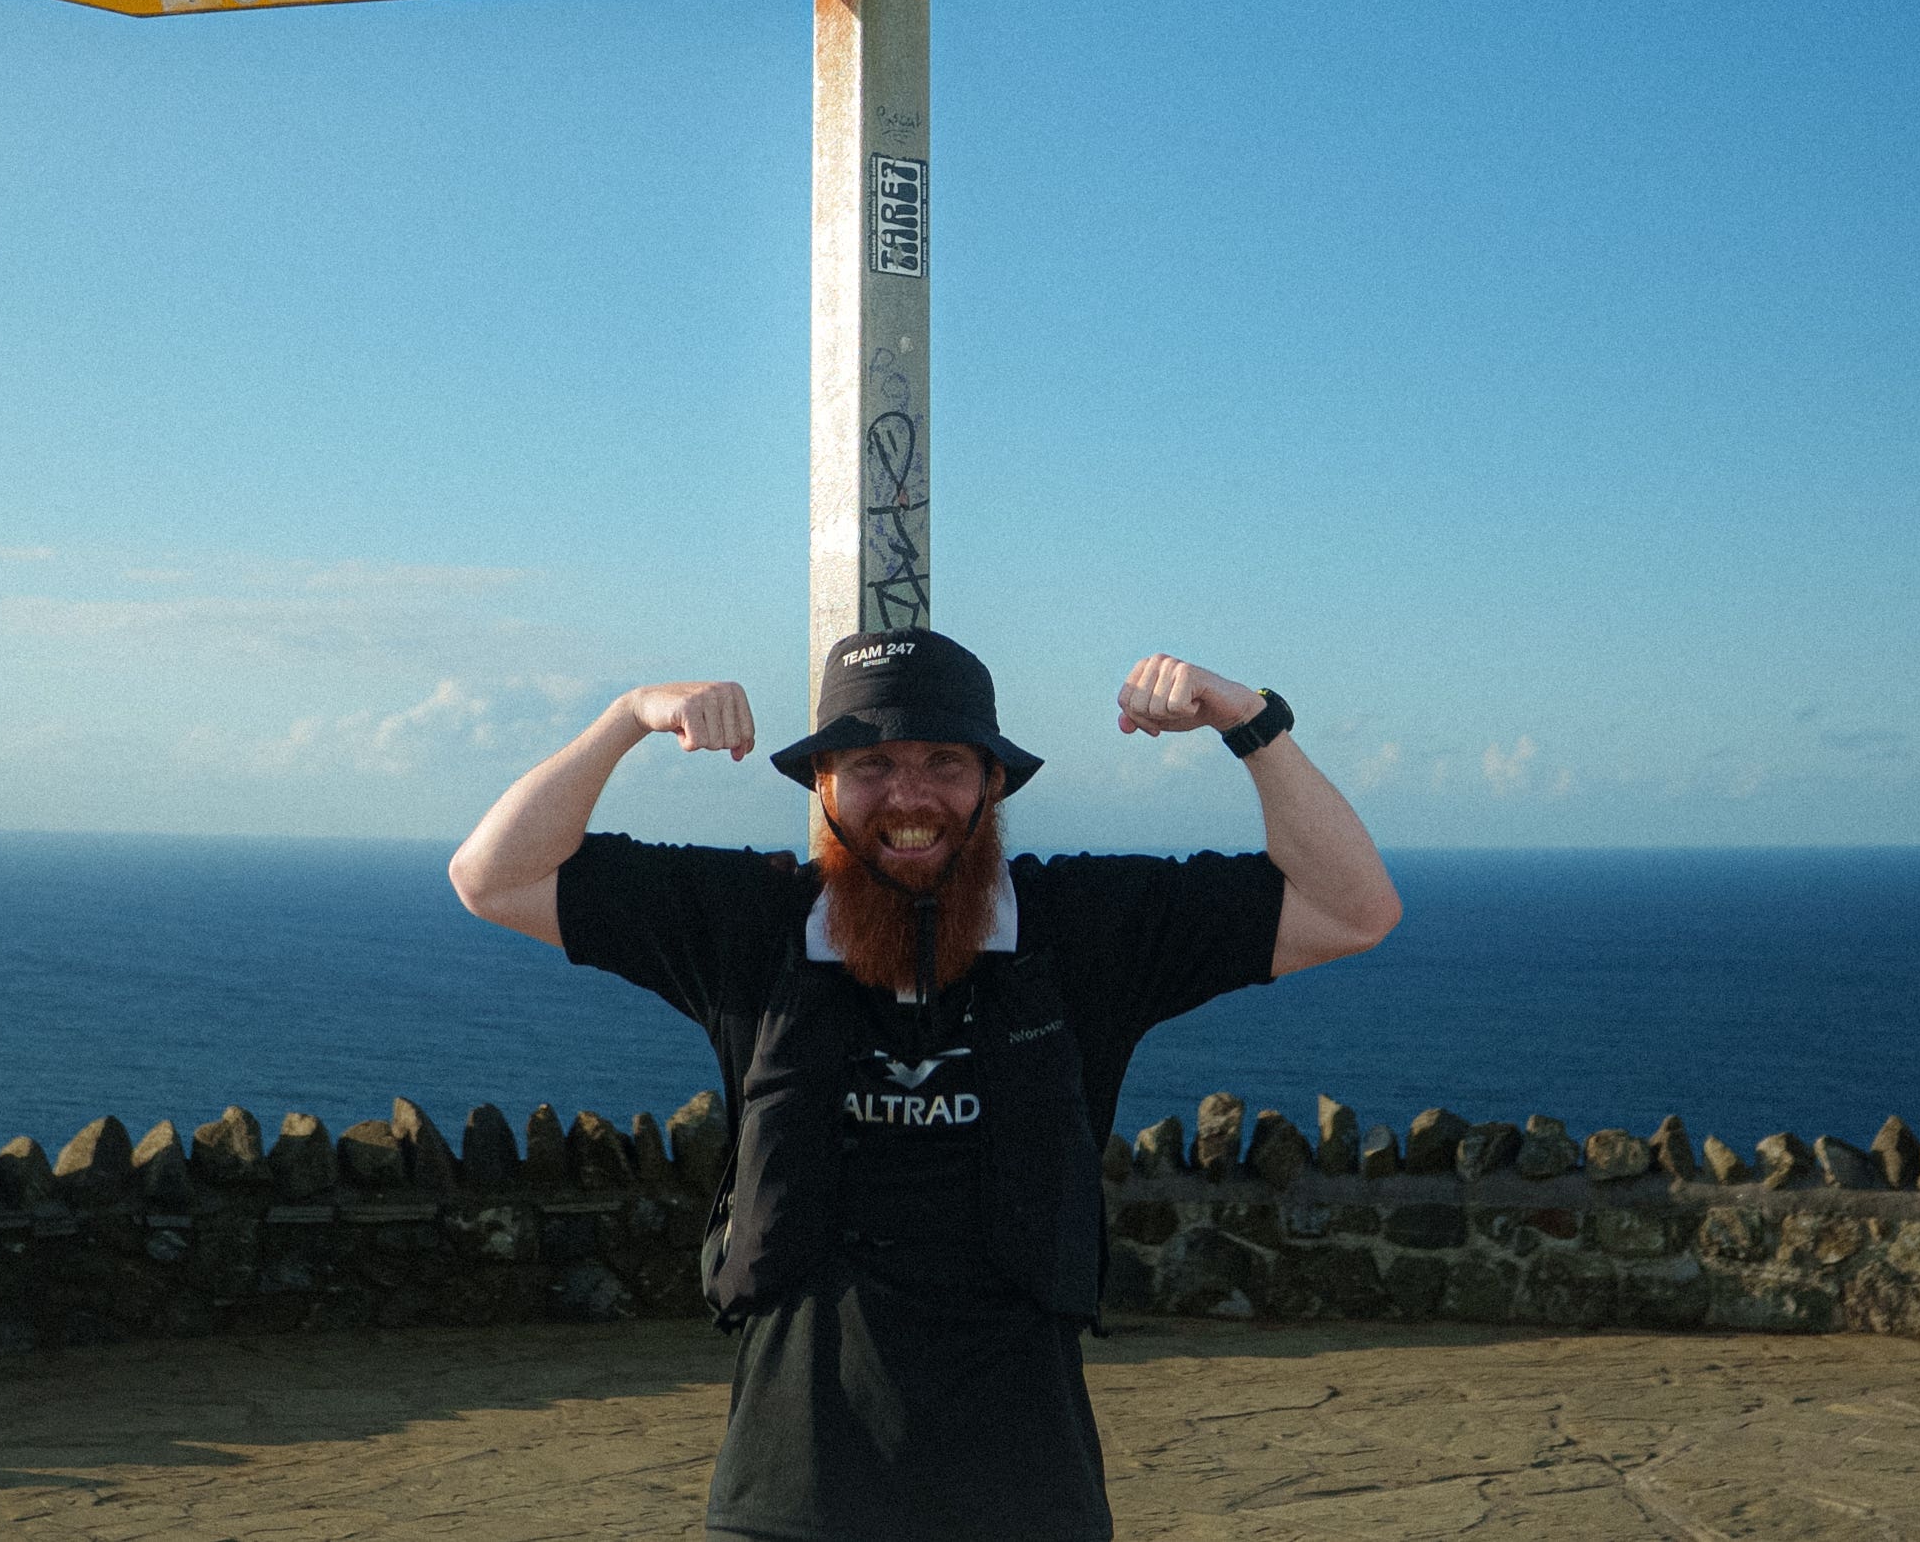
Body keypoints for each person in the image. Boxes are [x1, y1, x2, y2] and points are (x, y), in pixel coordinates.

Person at [448, 629, 1402, 1542]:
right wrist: (626, 716)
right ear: (822, 785)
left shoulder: (1082, 932)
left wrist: (1250, 720)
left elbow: (1352, 907)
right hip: (791, 1493)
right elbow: (492, 876)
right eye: (869, 765)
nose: (909, 795)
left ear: (993, 784)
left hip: (1027, 1495)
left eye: (945, 762)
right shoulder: (750, 930)